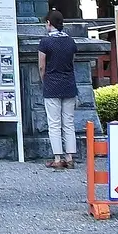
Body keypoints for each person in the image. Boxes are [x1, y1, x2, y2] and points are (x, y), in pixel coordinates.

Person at [38, 9, 78, 169]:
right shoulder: (70, 42)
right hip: (69, 84)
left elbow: (42, 66)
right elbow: (72, 62)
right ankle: (70, 157)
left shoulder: (45, 42)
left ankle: (57, 158)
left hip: (52, 85)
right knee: (68, 122)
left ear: (49, 23)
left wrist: (44, 80)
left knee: (54, 123)